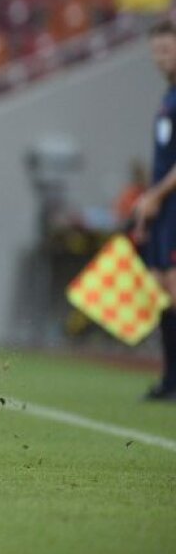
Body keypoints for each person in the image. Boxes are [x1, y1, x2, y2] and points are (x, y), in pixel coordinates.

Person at [131, 20, 176, 402]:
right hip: (163, 207)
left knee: (173, 288)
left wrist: (157, 195)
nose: (160, 58)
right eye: (156, 51)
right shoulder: (168, 96)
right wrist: (150, 202)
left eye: (167, 50)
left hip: (173, 204)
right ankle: (169, 380)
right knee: (162, 289)